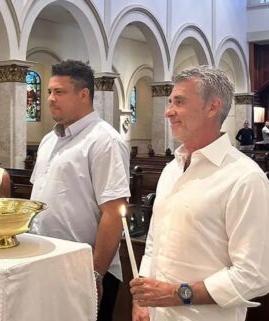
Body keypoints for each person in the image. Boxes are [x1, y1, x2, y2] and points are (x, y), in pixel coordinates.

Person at [130, 66, 269, 321]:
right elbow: (154, 243)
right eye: (170, 101)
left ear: (212, 107)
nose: (168, 111)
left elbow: (254, 275)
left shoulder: (245, 178)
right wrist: (143, 299)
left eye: (179, 102)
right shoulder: (172, 169)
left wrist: (177, 294)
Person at [29, 60, 130, 321]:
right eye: (49, 91)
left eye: (59, 92)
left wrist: (94, 273)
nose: (50, 98)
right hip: (44, 260)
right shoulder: (49, 140)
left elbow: (113, 213)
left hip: (82, 268)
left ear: (84, 94)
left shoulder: (104, 140)